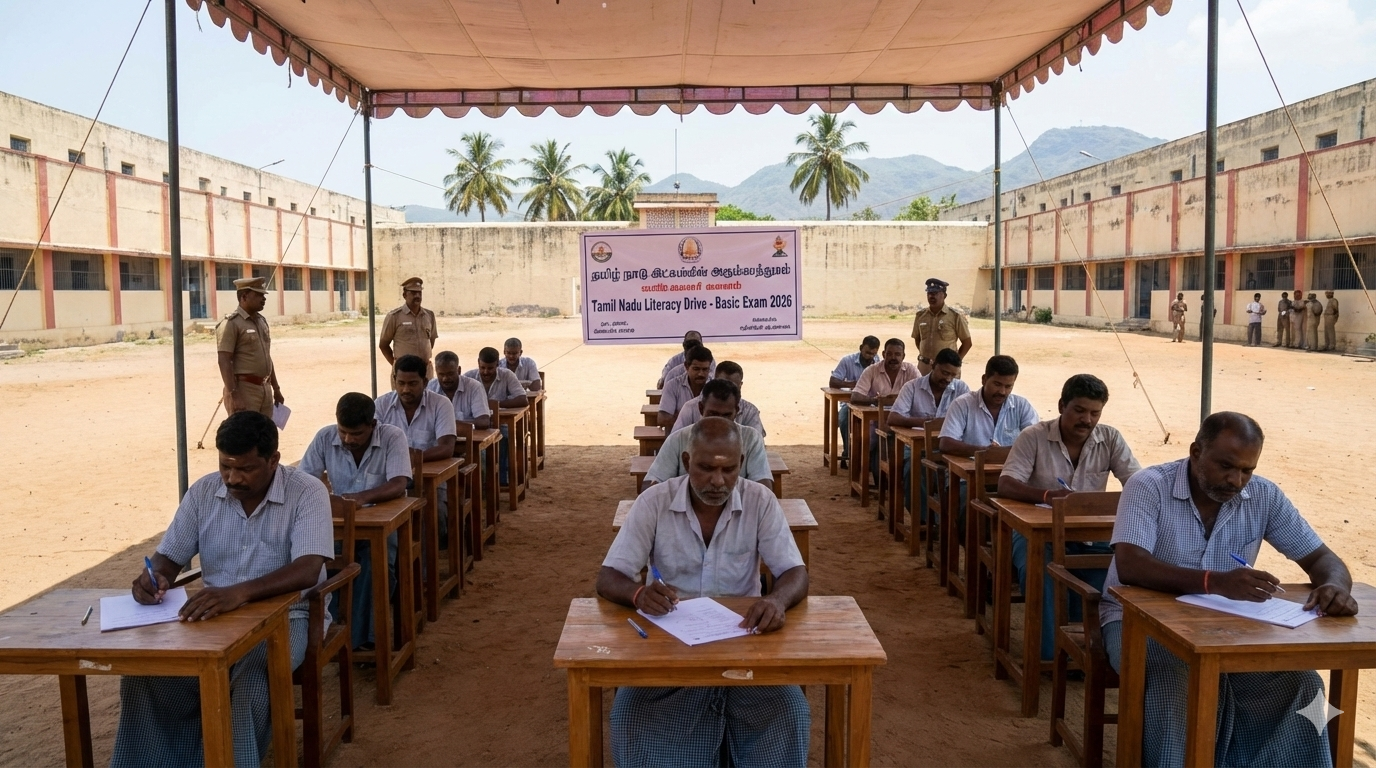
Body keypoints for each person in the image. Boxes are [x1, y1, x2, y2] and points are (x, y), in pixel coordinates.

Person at [1100, 412, 1357, 767]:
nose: (1236, 480)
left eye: (1247, 470)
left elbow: (1323, 558)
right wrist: (1214, 582)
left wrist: (1334, 585)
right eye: (1226, 466)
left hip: (1223, 630)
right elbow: (1131, 565)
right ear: (1195, 452)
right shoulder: (1148, 485)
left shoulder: (1263, 495)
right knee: (1179, 682)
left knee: (1302, 684)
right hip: (1135, 623)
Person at [111, 411, 334, 767]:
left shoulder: (306, 491)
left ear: (273, 460)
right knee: (146, 676)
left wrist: (240, 593)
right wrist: (153, 579)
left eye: (245, 469)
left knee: (250, 682)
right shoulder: (203, 492)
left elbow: (308, 570)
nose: (232, 478)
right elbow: (168, 556)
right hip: (215, 613)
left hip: (289, 615)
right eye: (225, 466)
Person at [597, 417, 809, 767]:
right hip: (671, 655)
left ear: (741, 464)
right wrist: (638, 594)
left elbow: (795, 571)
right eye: (706, 468)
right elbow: (608, 576)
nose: (717, 481)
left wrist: (776, 599)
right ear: (685, 462)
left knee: (790, 711)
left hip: (745, 651)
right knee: (630, 715)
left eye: (728, 471)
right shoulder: (654, 502)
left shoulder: (760, 502)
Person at [996, 374, 1141, 661]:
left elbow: (1137, 483)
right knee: (1040, 570)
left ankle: (1101, 652)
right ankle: (1050, 656)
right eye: (1079, 410)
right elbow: (1006, 483)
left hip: (1090, 537)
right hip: (1036, 535)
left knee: (1121, 575)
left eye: (1094, 413)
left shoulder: (1110, 438)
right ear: (1062, 405)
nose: (1087, 419)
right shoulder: (1034, 436)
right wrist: (1047, 496)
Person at [298, 393, 411, 650]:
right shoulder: (325, 437)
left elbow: (399, 482)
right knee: (320, 563)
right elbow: (304, 481)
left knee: (375, 563)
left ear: (373, 425)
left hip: (382, 523)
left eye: (356, 434)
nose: (348, 439)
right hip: (336, 524)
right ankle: (334, 629)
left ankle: (362, 639)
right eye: (343, 432)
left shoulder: (393, 437)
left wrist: (362, 498)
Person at [886, 348, 970, 520]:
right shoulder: (913, 387)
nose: (947, 379)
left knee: (966, 473)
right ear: (933, 365)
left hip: (948, 448)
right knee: (914, 469)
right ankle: (925, 521)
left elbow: (969, 421)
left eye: (953, 375)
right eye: (944, 372)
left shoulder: (961, 389)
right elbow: (893, 418)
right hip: (915, 446)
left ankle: (950, 521)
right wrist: (928, 424)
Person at [645, 379, 772, 491]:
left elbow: (763, 487)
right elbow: (650, 484)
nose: (719, 422)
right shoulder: (679, 439)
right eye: (713, 414)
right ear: (700, 408)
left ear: (737, 412)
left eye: (727, 415)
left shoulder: (751, 439)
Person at [852, 338, 921, 489]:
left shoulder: (911, 371)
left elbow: (921, 396)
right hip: (875, 420)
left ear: (903, 356)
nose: (893, 358)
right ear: (883, 354)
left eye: (897, 354)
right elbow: (855, 396)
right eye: (889, 354)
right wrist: (875, 401)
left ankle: (898, 484)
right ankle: (868, 480)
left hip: (903, 422)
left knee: (907, 446)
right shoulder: (872, 370)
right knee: (870, 442)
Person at [216, 276, 283, 417]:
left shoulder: (261, 321)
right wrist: (234, 395)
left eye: (263, 295)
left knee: (265, 434)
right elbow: (224, 360)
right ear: (244, 297)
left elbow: (267, 357)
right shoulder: (231, 323)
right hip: (244, 390)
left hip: (265, 388)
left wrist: (276, 388)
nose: (263, 298)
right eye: (258, 294)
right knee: (246, 434)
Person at [466, 347, 529, 485]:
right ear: (478, 363)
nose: (486, 372)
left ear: (498, 365)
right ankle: (481, 482)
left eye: (490, 368)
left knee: (505, 435)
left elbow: (523, 399)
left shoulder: (507, 375)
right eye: (482, 368)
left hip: (501, 423)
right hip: (477, 425)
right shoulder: (469, 377)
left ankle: (501, 477)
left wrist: (496, 404)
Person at [671, 361, 765, 436]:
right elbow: (677, 439)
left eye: (727, 415)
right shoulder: (690, 407)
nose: (726, 390)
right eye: (713, 413)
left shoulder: (750, 411)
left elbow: (756, 443)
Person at [828, 336, 881, 468]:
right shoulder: (848, 360)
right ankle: (849, 452)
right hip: (851, 402)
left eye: (873, 353)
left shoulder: (878, 362)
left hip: (871, 403)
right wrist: (852, 384)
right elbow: (833, 382)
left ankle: (871, 458)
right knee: (845, 419)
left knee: (881, 421)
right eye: (867, 352)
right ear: (861, 348)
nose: (870, 356)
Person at [910, 277, 973, 375]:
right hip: (924, 368)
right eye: (929, 293)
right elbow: (918, 339)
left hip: (947, 369)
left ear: (944, 295)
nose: (931, 296)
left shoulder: (955, 316)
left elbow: (967, 342)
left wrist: (955, 362)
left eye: (935, 293)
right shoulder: (920, 316)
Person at [379, 277, 438, 375]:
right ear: (404, 295)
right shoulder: (394, 316)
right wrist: (397, 365)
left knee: (427, 391)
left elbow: (431, 340)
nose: (417, 296)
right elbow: (383, 345)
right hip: (404, 372)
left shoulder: (429, 315)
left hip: (425, 370)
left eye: (419, 293)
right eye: (413, 293)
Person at [429, 350, 492, 429]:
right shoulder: (430, 387)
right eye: (441, 374)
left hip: (470, 439)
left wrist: (449, 425)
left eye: (450, 374)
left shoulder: (474, 387)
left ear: (459, 370)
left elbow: (484, 422)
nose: (445, 379)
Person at [657, 344, 714, 430]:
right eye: (696, 369)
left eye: (705, 369)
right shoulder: (672, 386)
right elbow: (663, 419)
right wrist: (700, 422)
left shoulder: (714, 388)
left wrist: (681, 417)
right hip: (678, 440)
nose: (701, 374)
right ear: (686, 366)